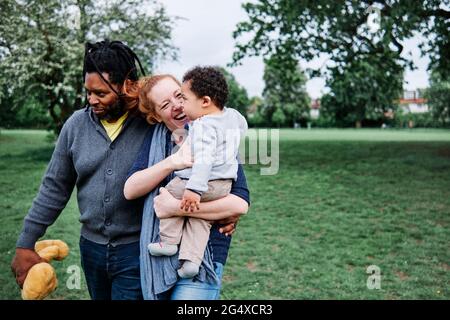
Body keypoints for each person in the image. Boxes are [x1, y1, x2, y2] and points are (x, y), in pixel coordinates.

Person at [10, 40, 240, 300]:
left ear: (126, 86)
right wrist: (25, 242)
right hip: (91, 249)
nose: (91, 100)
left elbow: (214, 154)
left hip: (136, 250)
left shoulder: (151, 122)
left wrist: (223, 208)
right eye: (88, 92)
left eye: (101, 93)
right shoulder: (76, 126)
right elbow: (54, 188)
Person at [124, 73, 250, 300]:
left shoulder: (215, 135)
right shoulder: (155, 141)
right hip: (157, 263)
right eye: (165, 104)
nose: (177, 105)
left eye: (179, 96)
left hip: (206, 258)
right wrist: (173, 162)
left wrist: (174, 208)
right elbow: (130, 189)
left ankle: (177, 248)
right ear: (156, 116)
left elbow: (239, 204)